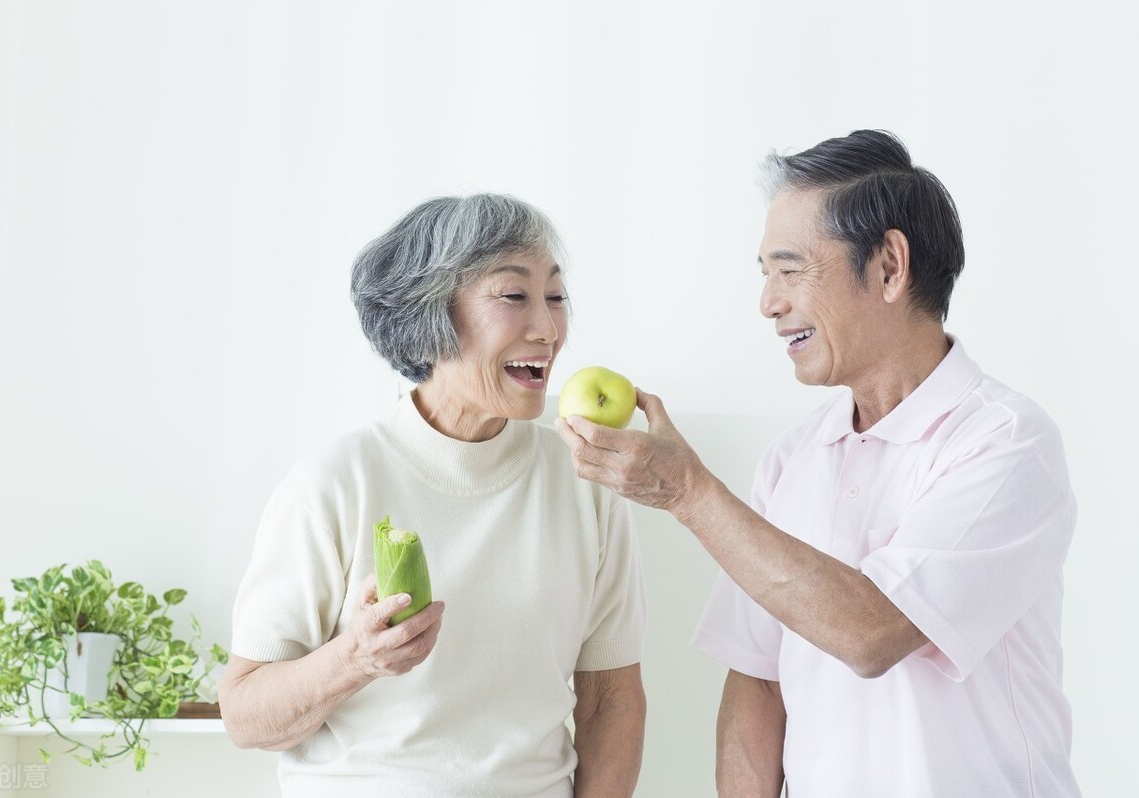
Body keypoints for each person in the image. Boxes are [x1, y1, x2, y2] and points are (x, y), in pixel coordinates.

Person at [556, 130, 1079, 797]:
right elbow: (757, 683)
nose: (769, 303)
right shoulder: (792, 458)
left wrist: (688, 492)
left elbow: (873, 632)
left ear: (890, 266)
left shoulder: (1006, 443)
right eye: (765, 274)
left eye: (791, 269)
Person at [219, 194, 646, 798]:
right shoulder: (335, 482)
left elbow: (610, 697)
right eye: (513, 295)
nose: (548, 329)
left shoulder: (586, 477)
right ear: (432, 315)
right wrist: (357, 659)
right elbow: (245, 716)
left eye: (555, 296)